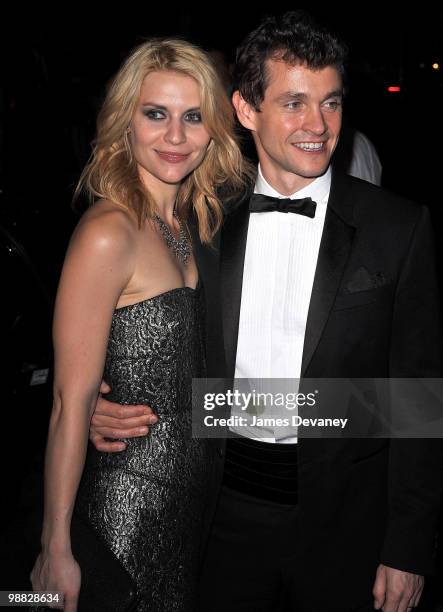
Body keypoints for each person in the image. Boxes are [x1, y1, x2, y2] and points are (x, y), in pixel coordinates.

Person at [90, 12, 443, 612]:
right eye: (294, 103)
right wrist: (107, 396)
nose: (318, 126)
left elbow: (416, 398)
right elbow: (140, 318)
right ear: (246, 110)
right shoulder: (200, 216)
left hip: (347, 523)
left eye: (330, 103)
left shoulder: (399, 227)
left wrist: (408, 546)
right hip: (216, 513)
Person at [30, 38, 248, 612]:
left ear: (214, 129)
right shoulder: (108, 231)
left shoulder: (198, 225)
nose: (175, 137)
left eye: (193, 117)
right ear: (125, 122)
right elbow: (66, 404)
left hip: (191, 510)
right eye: (156, 114)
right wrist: (54, 545)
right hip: (123, 509)